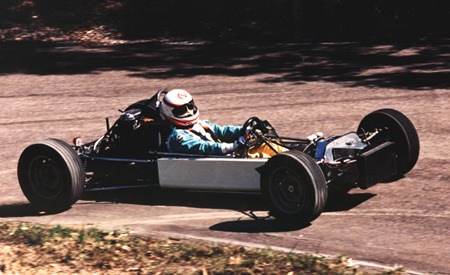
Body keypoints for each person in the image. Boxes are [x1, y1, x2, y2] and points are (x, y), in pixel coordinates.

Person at [160, 89, 243, 155]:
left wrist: (244, 130)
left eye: (190, 106)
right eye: (182, 110)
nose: (189, 111)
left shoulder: (201, 124)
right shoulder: (177, 137)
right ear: (169, 112)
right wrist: (229, 147)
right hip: (203, 166)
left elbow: (222, 131)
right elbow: (201, 147)